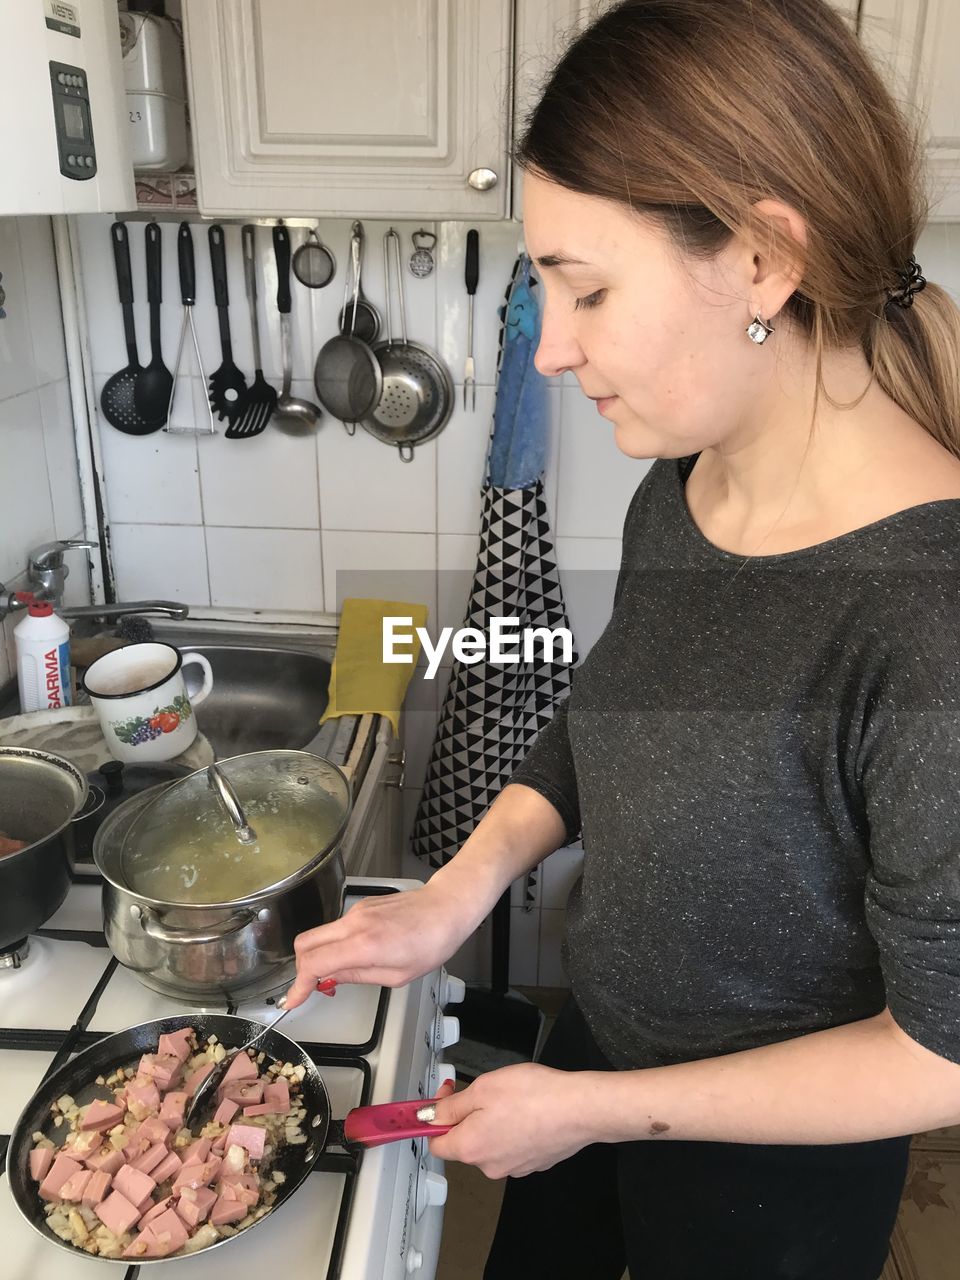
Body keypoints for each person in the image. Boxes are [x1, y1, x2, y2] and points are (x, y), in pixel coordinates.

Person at [284, 2, 960, 1276]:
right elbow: (618, 712)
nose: (551, 348)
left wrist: (589, 1111)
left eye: (587, 287)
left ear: (764, 260)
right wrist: (458, 889)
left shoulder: (927, 614)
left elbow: (940, 1050)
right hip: (601, 1052)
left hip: (773, 1172)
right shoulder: (691, 485)